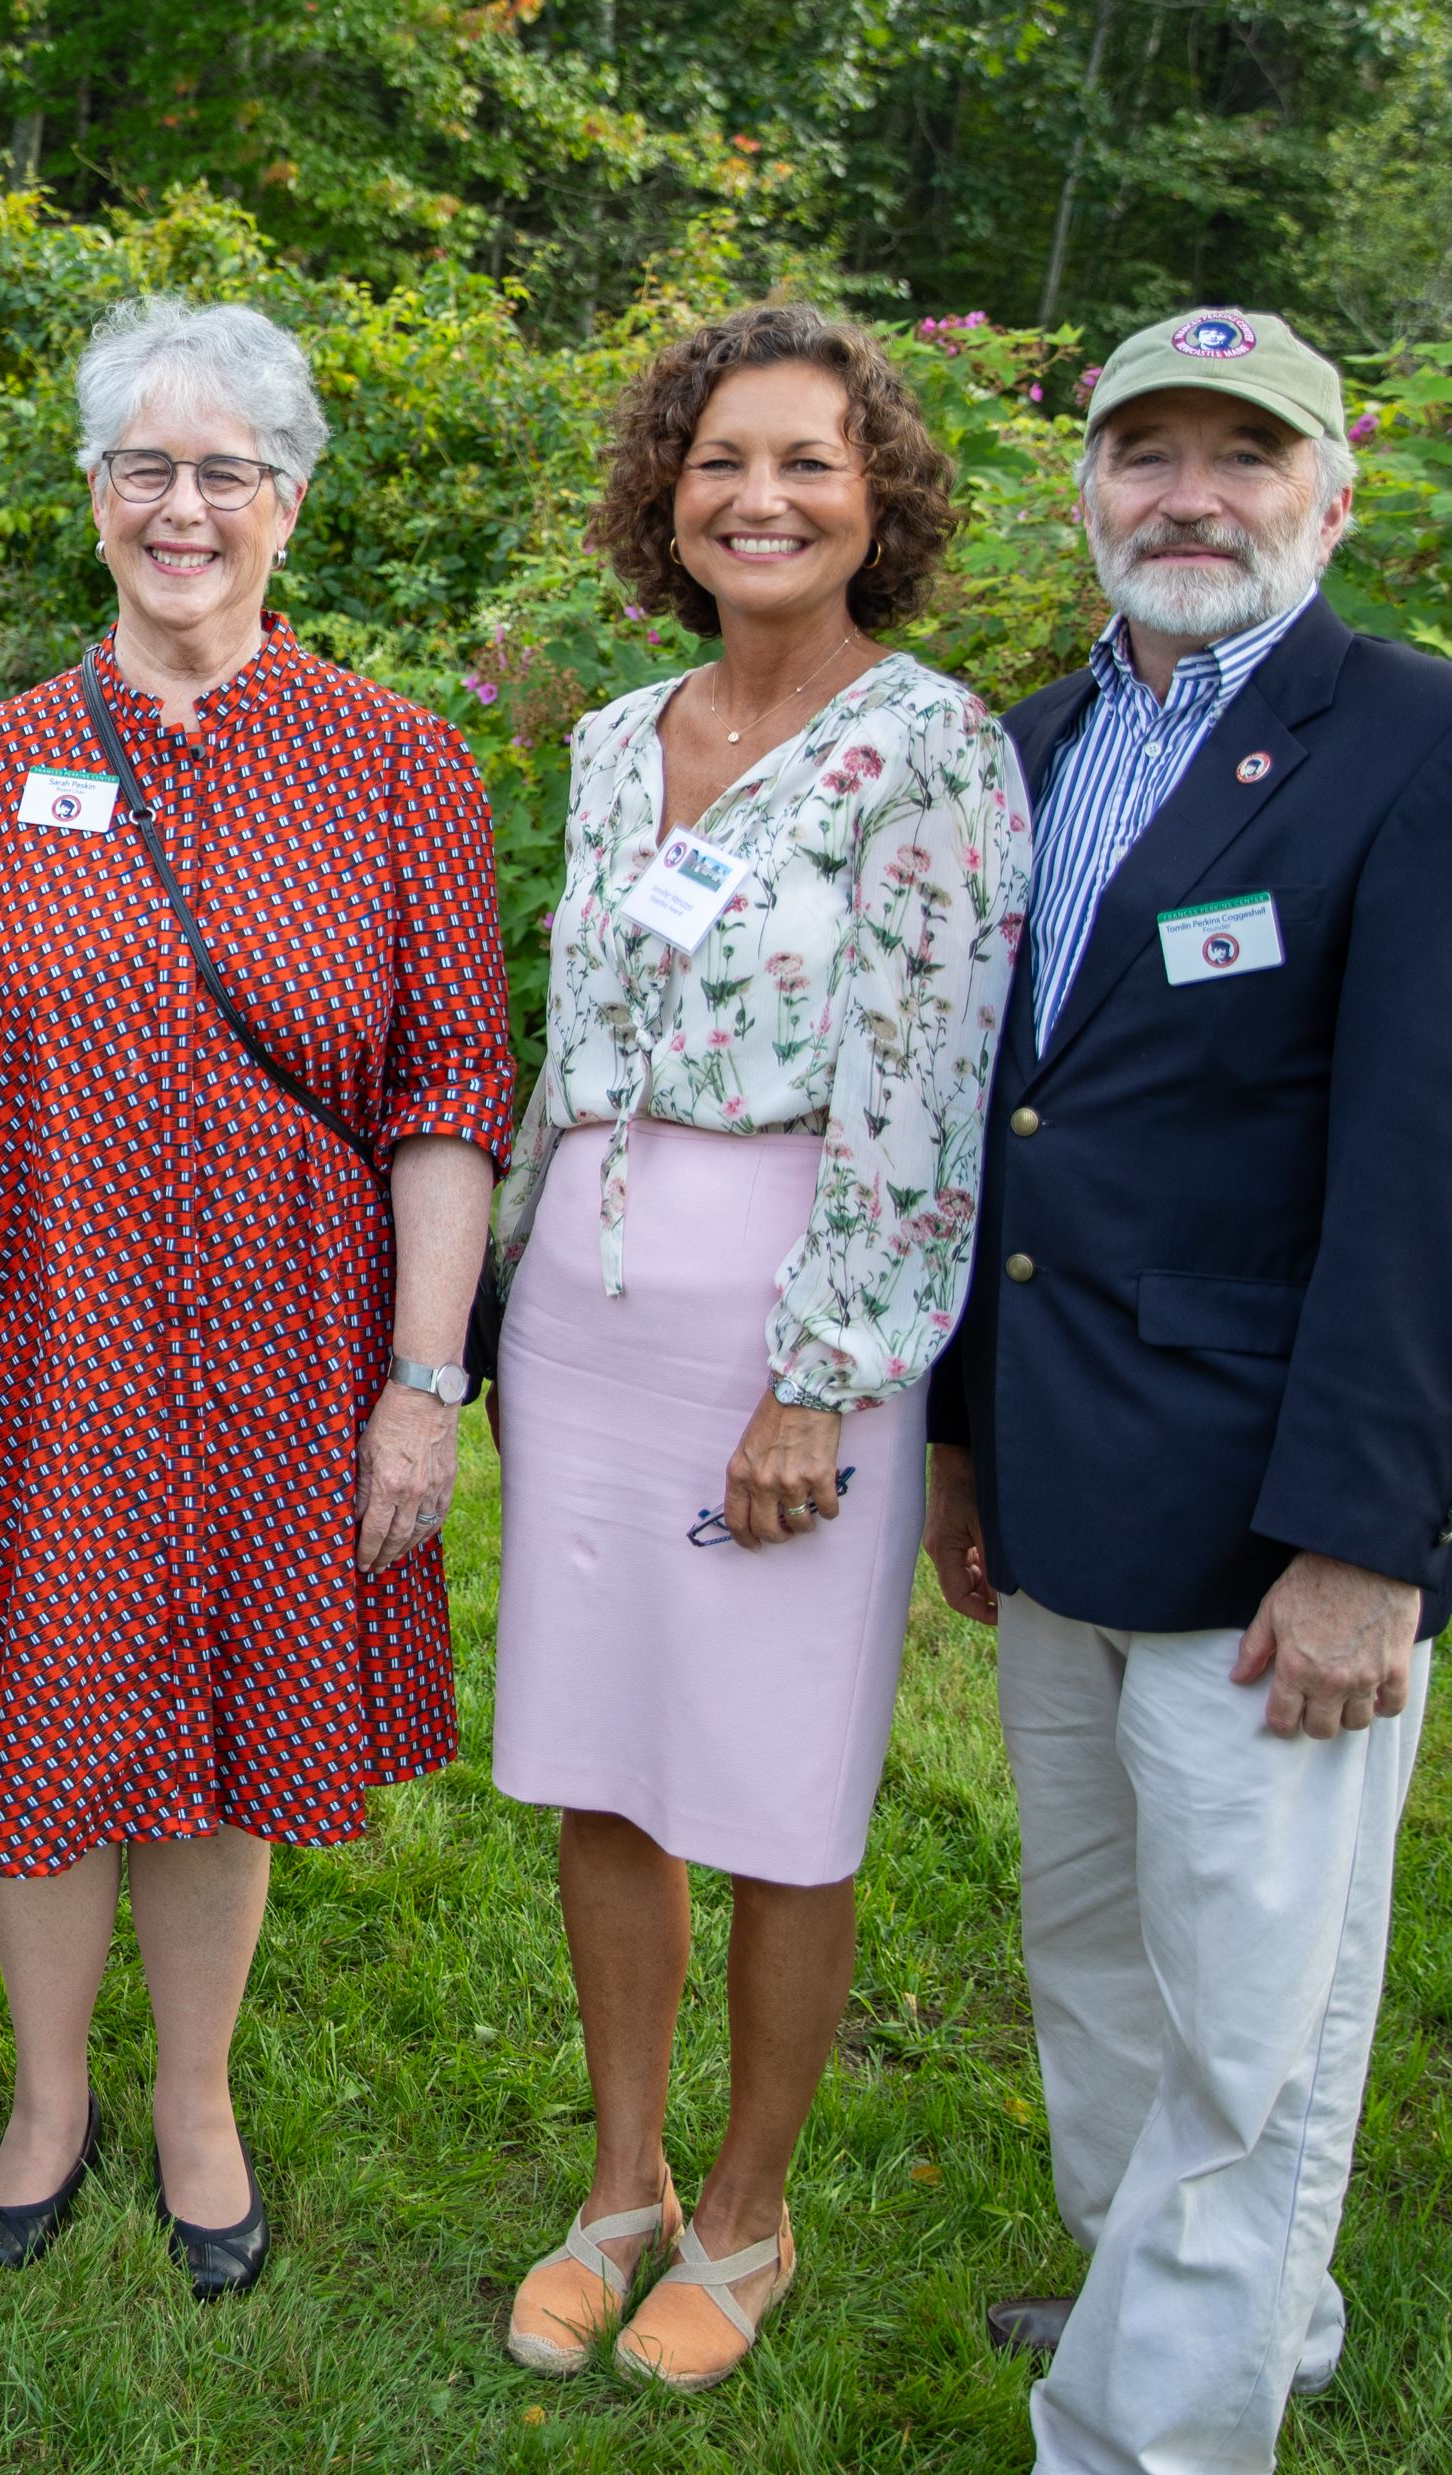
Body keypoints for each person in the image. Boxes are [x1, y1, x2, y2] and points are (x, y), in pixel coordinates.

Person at [925, 311, 1452, 2472]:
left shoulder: (1427, 744)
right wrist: (953, 1441)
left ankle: (1143, 2435)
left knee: (1248, 2023)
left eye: (1241, 453)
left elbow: (1440, 1179)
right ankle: (1175, 2299)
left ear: (1332, 488)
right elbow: (993, 1123)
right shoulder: (1022, 746)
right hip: (1055, 1482)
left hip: (1265, 1521)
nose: (1186, 495)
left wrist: (1360, 1539)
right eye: (1144, 452)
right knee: (1097, 1955)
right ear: (1083, 484)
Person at [0, 296, 513, 2299]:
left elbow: (449, 1095)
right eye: (142, 465)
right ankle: (46, 2097)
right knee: (48, 1719)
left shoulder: (402, 771)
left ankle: (193, 2098)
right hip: (28, 1336)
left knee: (221, 1730)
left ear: (287, 505)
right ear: (89, 495)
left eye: (222, 470)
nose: (180, 505)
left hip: (285, 1344)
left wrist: (421, 1382)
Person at [485, 305, 1029, 2391]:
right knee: (598, 1746)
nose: (759, 497)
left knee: (778, 1788)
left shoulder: (932, 747)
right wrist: (503, 1284)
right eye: (720, 459)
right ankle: (615, 2186)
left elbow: (920, 1085)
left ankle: (743, 2211)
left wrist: (827, 1368)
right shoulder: (617, 738)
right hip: (587, 1306)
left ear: (871, 495)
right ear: (665, 493)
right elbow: (569, 1035)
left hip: (785, 1301)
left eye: (805, 461)